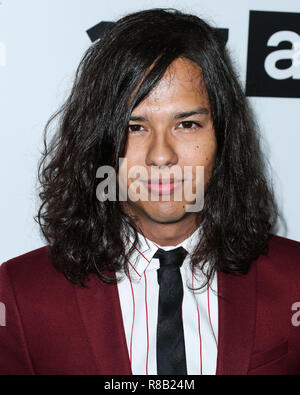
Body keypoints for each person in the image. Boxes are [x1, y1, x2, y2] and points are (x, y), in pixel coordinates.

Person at [0, 8, 300, 376]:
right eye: (135, 127)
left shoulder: (293, 280)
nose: (161, 155)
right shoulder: (21, 295)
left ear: (223, 137)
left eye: (187, 124)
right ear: (99, 143)